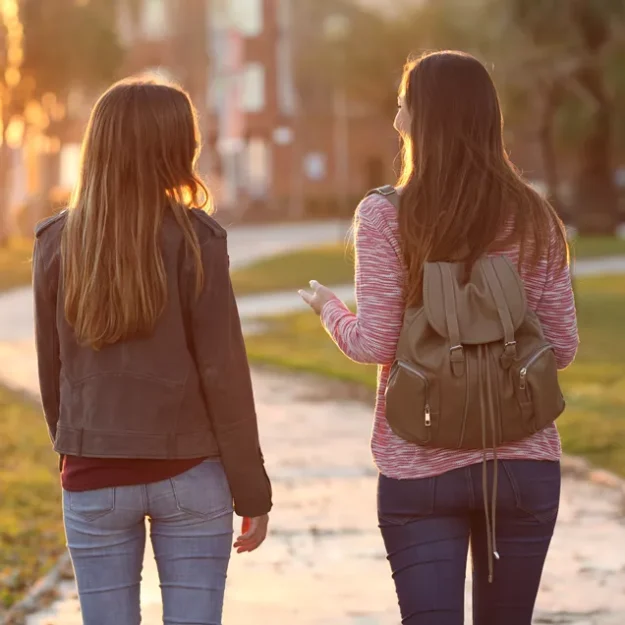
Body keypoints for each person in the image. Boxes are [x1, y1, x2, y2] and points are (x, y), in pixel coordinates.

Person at [299, 51, 578, 625]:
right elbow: (563, 348)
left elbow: (376, 344)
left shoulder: (384, 215)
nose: (397, 122)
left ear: (420, 121)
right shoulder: (535, 217)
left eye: (402, 109)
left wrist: (330, 310)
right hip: (520, 463)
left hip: (417, 464)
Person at [32, 78, 272, 625]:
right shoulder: (196, 240)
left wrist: (77, 450)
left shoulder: (55, 243)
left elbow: (53, 377)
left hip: (94, 477)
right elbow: (225, 375)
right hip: (190, 476)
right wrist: (251, 491)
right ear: (174, 149)